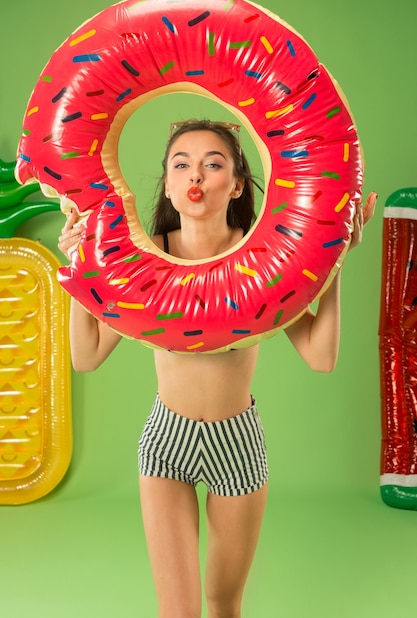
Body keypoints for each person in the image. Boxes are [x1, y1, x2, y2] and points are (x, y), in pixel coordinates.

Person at [58, 119, 377, 618]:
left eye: (214, 164)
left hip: (239, 443)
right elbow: (87, 355)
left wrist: (333, 264)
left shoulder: (265, 257)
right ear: (167, 183)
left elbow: (320, 356)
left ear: (236, 182)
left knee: (224, 604)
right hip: (167, 439)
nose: (197, 176)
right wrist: (81, 268)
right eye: (182, 164)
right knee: (179, 612)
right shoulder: (146, 258)